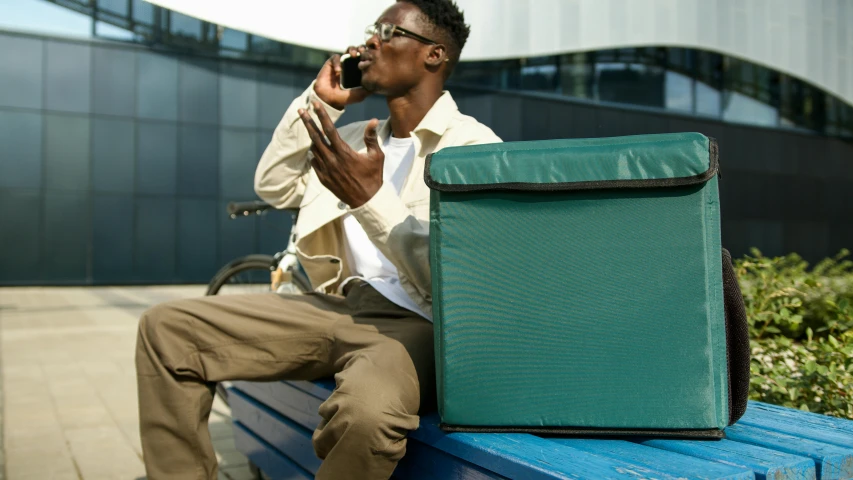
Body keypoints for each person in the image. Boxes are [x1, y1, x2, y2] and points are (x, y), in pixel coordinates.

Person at [135, 0, 501, 478]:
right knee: (167, 330)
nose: (371, 40)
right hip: (333, 303)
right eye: (373, 29)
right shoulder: (349, 135)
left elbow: (465, 281)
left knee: (367, 415)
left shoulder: (473, 147)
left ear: (433, 55)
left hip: (415, 322)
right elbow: (275, 185)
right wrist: (319, 101)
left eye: (388, 32)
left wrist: (371, 199)